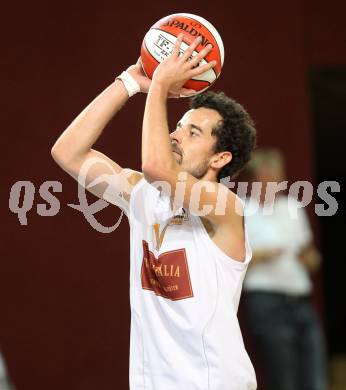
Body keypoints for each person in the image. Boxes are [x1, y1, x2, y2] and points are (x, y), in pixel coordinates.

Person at [52, 34, 257, 389]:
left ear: (220, 158)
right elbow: (67, 152)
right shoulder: (143, 196)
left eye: (192, 132)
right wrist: (130, 82)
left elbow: (158, 169)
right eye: (178, 126)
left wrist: (161, 84)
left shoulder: (224, 206)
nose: (175, 135)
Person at [243, 149, 327, 390]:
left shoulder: (292, 207)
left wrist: (310, 258)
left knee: (315, 379)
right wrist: (262, 254)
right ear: (254, 180)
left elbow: (307, 252)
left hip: (300, 299)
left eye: (276, 178)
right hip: (266, 301)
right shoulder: (241, 210)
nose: (272, 183)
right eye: (266, 178)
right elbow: (233, 259)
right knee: (284, 379)